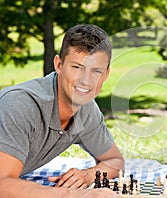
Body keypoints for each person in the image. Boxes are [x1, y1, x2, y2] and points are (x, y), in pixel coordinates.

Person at [0, 24, 124, 197]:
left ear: (106, 74)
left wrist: (87, 176)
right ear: (59, 65)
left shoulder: (87, 110)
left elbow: (115, 161)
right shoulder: (20, 105)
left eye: (96, 71)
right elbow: (2, 185)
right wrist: (78, 195)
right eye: (77, 67)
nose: (86, 81)